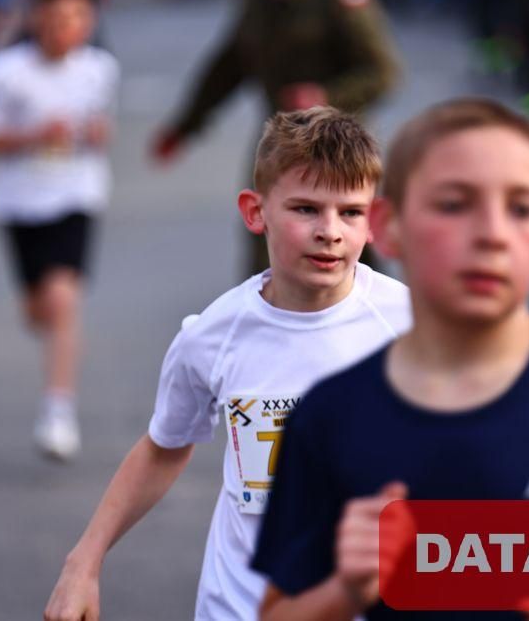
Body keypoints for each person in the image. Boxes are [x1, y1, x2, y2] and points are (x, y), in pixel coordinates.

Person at [252, 98, 529, 620]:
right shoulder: (330, 416)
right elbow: (276, 612)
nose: (491, 234)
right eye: (454, 204)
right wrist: (346, 589)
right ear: (387, 226)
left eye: (521, 209)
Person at [44, 107, 411, 621]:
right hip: (239, 606)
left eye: (350, 212)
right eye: (306, 209)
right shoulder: (213, 335)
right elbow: (164, 447)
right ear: (255, 212)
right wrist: (84, 560)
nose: (330, 231)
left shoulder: (412, 325)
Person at [150, 0, 400, 276]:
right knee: (267, 240)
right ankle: (268, 308)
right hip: (281, 141)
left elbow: (382, 72)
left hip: (338, 144)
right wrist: (183, 128)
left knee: (347, 245)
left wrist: (326, 96)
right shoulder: (258, 0)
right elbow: (226, 70)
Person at [0, 0, 119, 461]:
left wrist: (98, 135)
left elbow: (101, 126)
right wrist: (34, 136)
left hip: (76, 195)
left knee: (63, 298)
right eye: (56, 18)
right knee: (39, 312)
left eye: (76, 18)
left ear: (89, 22)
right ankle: (39, 315)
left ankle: (58, 412)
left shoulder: (99, 69)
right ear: (37, 19)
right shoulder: (4, 72)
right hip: (19, 202)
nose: (66, 28)